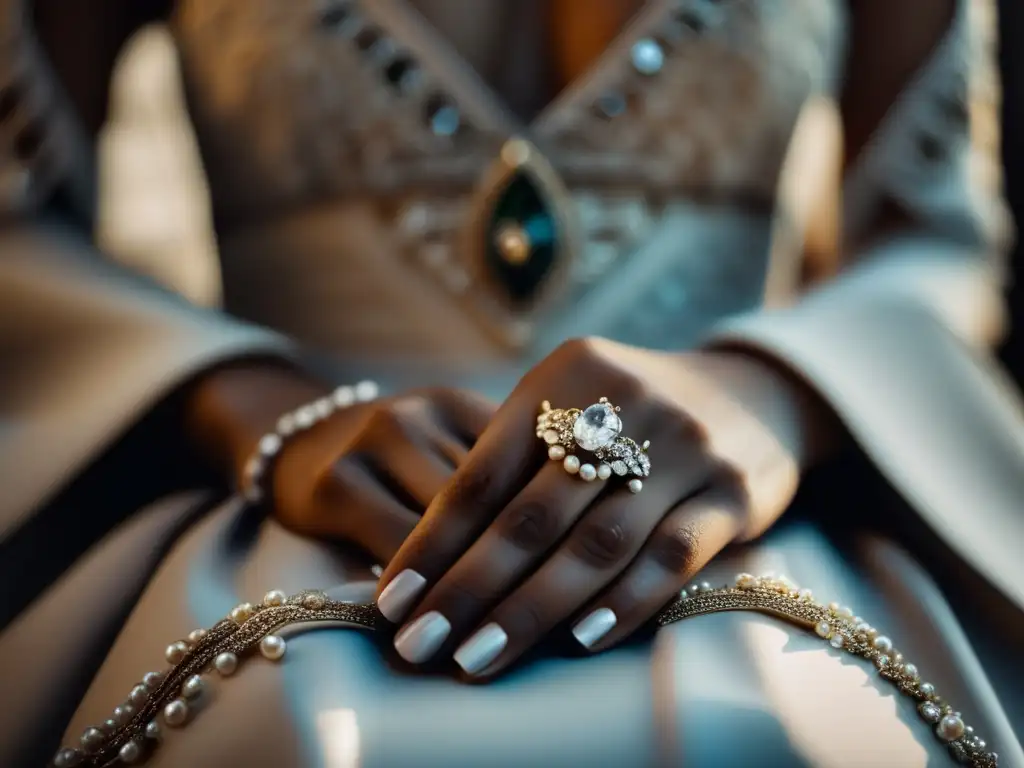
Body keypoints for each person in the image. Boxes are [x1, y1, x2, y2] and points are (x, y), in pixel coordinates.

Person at [1, 0, 1023, 766]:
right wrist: (262, 411)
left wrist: (770, 391)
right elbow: (18, 227)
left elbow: (935, 240)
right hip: (320, 502)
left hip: (727, 510)